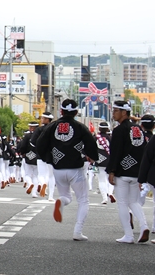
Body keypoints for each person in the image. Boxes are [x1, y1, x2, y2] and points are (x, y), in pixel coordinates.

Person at [35, 99, 97, 241]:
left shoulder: (51, 126)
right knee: (83, 200)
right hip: (76, 168)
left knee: (66, 196)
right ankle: (77, 232)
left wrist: (48, 158)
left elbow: (40, 143)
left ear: (61, 111)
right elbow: (91, 143)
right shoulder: (80, 127)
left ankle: (61, 201)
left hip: (58, 168)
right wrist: (92, 156)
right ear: (76, 112)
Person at [106, 100, 149, 243]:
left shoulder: (119, 130)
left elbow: (115, 152)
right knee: (134, 202)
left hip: (122, 172)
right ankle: (144, 226)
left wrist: (112, 170)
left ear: (124, 112)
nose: (113, 113)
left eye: (116, 111)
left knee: (123, 203)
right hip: (136, 171)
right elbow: (143, 151)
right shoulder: (138, 129)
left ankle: (129, 235)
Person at [32, 111, 56, 199]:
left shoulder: (39, 130)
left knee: (41, 174)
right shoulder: (54, 129)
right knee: (51, 175)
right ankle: (51, 196)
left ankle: (43, 184)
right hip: (51, 154)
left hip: (40, 154)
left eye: (42, 118)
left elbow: (33, 142)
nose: (41, 119)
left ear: (47, 119)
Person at [95, 122, 115, 205]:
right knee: (111, 179)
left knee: (101, 180)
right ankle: (110, 192)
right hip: (109, 161)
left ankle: (104, 198)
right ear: (107, 129)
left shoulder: (95, 138)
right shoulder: (111, 138)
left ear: (99, 128)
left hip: (99, 160)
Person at [19, 121, 40, 196]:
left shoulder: (27, 136)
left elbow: (23, 146)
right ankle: (34, 193)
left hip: (28, 156)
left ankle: (30, 183)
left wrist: (22, 153)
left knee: (27, 174)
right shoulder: (40, 136)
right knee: (35, 176)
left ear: (31, 128)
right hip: (38, 157)